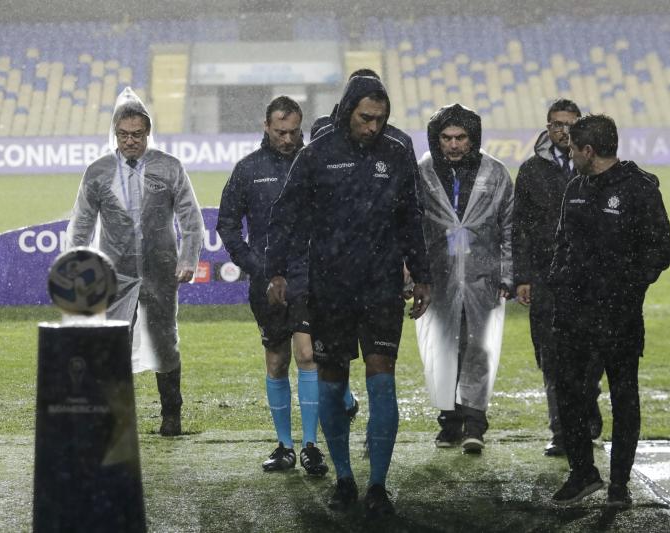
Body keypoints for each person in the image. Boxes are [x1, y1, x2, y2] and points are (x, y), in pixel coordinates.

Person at [265, 74, 432, 519]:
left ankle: (377, 485)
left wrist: (422, 275)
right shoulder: (316, 154)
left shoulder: (396, 156)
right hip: (330, 290)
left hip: (379, 289)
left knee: (382, 382)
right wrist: (276, 271)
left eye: (380, 119)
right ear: (347, 111)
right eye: (365, 118)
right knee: (333, 385)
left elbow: (411, 221)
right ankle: (344, 477)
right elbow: (284, 215)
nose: (373, 127)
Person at [548, 114, 670, 507]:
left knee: (624, 396)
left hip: (619, 315)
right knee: (569, 393)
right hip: (574, 314)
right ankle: (583, 473)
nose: (569, 155)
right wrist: (559, 281)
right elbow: (563, 244)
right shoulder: (576, 188)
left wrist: (626, 287)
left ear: (589, 150)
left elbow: (661, 251)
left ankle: (619, 485)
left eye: (572, 149)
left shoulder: (639, 189)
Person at [67, 87, 205, 436]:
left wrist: (188, 259)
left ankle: (171, 414)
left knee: (163, 339)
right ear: (115, 134)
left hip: (160, 269)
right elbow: (81, 224)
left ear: (148, 133)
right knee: (114, 343)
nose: (130, 141)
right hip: (115, 272)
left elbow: (191, 219)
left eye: (137, 134)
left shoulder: (169, 168)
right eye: (124, 135)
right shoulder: (98, 173)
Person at [216, 96, 334, 476]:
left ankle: (311, 446)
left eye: (294, 131)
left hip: (309, 278)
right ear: (266, 127)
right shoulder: (248, 169)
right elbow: (228, 225)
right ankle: (284, 445)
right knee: (277, 360)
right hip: (267, 282)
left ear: (301, 127)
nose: (287, 138)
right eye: (280, 131)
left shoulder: (316, 164)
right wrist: (257, 269)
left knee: (307, 356)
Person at [414, 103, 512, 454]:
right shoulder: (423, 173)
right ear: (436, 139)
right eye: (446, 138)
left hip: (483, 277)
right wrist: (412, 276)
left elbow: (509, 227)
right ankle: (449, 422)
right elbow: (412, 229)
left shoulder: (495, 173)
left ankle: (474, 424)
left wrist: (509, 274)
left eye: (461, 137)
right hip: (438, 278)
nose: (453, 145)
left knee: (478, 348)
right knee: (442, 348)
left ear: (473, 138)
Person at [513, 99, 603, 457]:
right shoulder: (532, 170)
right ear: (546, 127)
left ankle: (588, 407)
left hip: (589, 280)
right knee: (551, 358)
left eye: (569, 124)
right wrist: (522, 276)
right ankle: (562, 431)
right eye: (556, 124)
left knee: (591, 354)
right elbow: (518, 227)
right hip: (547, 278)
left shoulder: (597, 168)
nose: (562, 131)